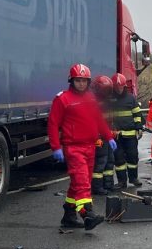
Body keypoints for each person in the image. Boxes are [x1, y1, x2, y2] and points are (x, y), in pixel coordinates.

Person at [48, 64, 116, 231]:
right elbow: (53, 123)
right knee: (83, 181)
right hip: (73, 147)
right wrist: (56, 147)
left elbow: (98, 119)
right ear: (72, 80)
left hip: (90, 147)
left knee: (77, 183)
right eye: (78, 80)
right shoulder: (62, 99)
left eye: (84, 81)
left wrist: (108, 136)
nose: (81, 84)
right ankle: (87, 214)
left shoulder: (90, 98)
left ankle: (69, 216)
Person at [108, 72, 144, 187]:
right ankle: (121, 181)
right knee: (119, 160)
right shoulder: (110, 99)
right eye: (116, 87)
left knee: (132, 157)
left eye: (120, 86)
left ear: (124, 86)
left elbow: (137, 114)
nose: (119, 89)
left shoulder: (130, 98)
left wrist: (139, 126)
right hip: (116, 136)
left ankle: (133, 178)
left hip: (130, 135)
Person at [92, 75, 116, 194]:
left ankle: (108, 184)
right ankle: (97, 187)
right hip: (99, 138)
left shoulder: (107, 102)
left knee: (110, 160)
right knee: (100, 162)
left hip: (107, 137)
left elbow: (109, 120)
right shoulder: (93, 102)